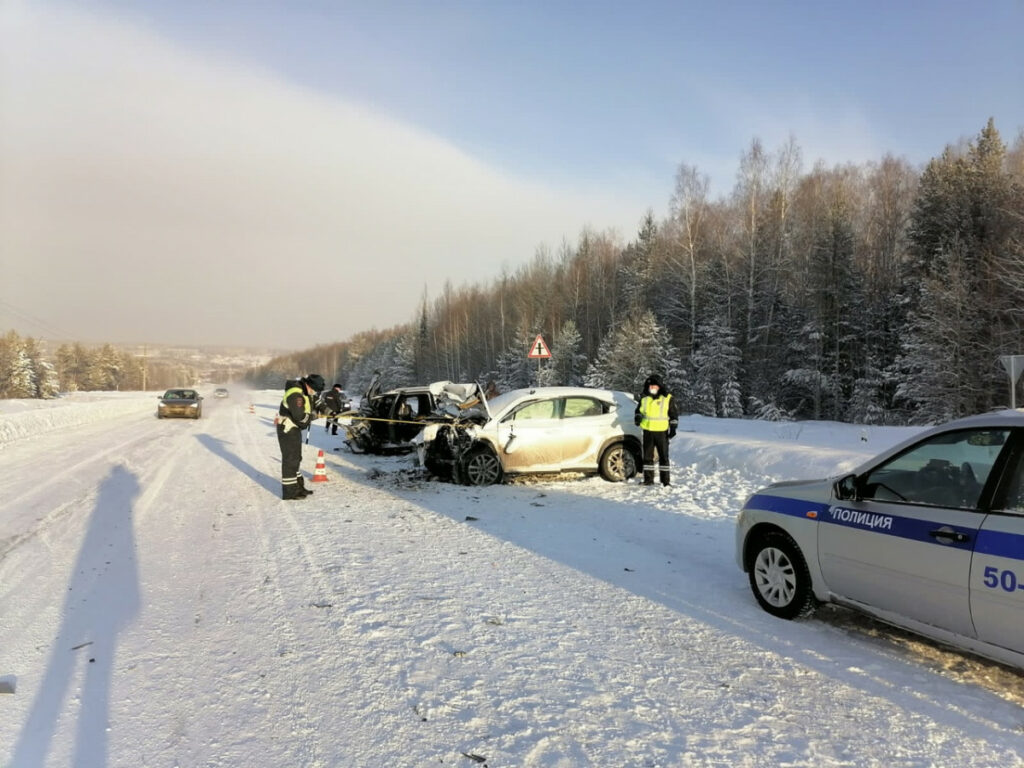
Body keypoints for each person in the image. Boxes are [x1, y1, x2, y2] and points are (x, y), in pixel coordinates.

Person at [276, 373, 325, 500]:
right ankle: (289, 492)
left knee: (296, 458)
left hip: (293, 428)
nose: (315, 393)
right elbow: (299, 416)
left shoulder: (304, 391)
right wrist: (312, 417)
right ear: (309, 386)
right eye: (315, 390)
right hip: (287, 428)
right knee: (290, 459)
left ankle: (298, 487)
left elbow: (314, 402)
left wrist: (322, 409)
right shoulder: (296, 394)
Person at [634, 373, 678, 486]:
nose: (652, 388)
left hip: (662, 432)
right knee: (647, 458)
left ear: (659, 386)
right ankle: (648, 480)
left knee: (664, 457)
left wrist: (673, 428)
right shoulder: (644, 398)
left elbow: (673, 414)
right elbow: (638, 411)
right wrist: (638, 418)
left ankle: (665, 481)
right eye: (651, 386)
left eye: (655, 386)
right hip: (648, 431)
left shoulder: (667, 398)